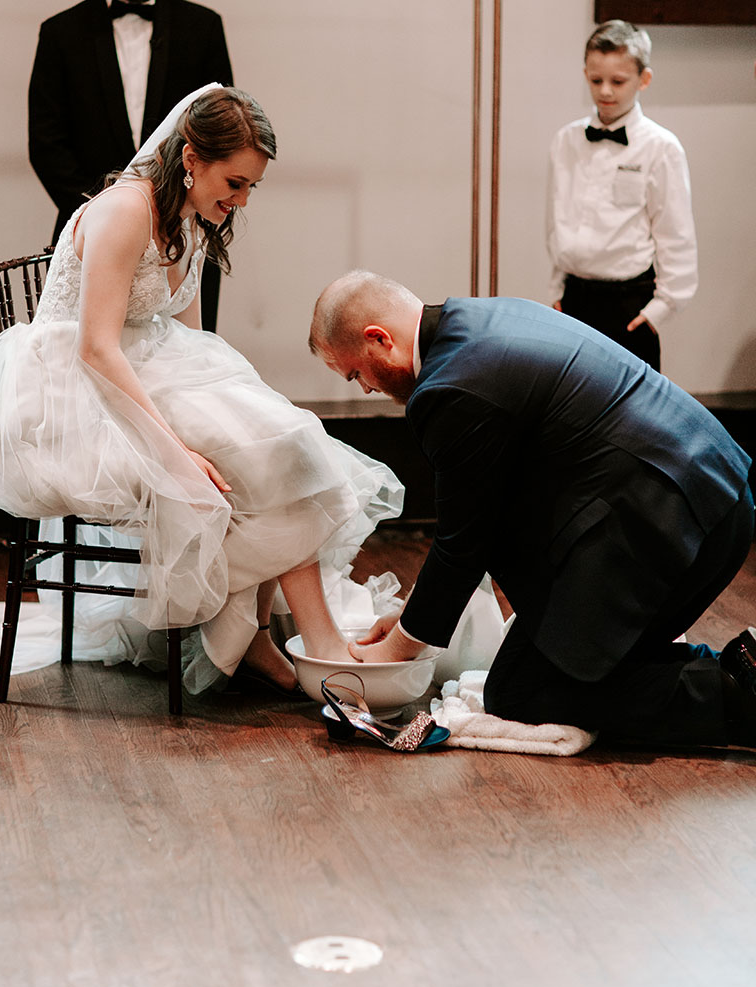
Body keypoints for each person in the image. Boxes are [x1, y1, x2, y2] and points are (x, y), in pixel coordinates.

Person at [0, 90, 402, 696]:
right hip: (77, 395)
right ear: (192, 158)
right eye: (236, 181)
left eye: (252, 188)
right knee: (270, 453)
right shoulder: (125, 211)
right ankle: (299, 645)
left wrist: (227, 406)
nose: (242, 200)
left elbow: (191, 344)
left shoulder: (193, 218)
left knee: (289, 443)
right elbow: (95, 347)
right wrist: (175, 447)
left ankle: (261, 639)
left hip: (142, 369)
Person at [309, 271, 756, 751]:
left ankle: (742, 702)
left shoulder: (448, 389)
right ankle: (742, 667)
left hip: (673, 519)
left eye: (357, 373)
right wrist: (406, 616)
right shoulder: (476, 318)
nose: (366, 390)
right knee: (570, 668)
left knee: (523, 691)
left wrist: (395, 652)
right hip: (713, 493)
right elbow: (484, 516)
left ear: (379, 340)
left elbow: (463, 543)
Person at [28, 0, 233, 332]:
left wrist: (175, 212)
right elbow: (46, 145)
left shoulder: (203, 28)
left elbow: (222, 138)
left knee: (188, 367)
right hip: (93, 241)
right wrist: (111, 214)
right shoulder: (61, 34)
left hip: (181, 241)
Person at [546, 20, 698, 372]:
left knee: (630, 418)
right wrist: (557, 289)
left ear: (644, 79)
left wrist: (658, 310)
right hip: (573, 299)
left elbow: (676, 235)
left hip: (629, 304)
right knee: (570, 410)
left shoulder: (661, 148)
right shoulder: (565, 141)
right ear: (585, 73)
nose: (605, 91)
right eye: (596, 80)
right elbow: (557, 218)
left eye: (618, 81)